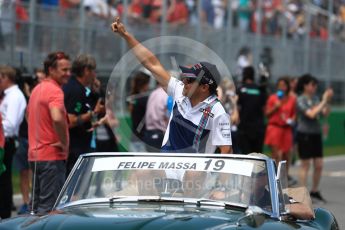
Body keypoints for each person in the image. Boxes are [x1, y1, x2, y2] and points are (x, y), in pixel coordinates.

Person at [111, 17, 232, 154]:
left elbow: (226, 150)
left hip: (195, 174)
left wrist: (203, 174)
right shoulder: (179, 90)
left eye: (190, 80)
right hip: (168, 166)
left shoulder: (218, 112)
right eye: (185, 77)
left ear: (204, 88)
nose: (184, 81)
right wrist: (126, 35)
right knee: (139, 173)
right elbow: (152, 63)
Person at [27, 51, 71, 215]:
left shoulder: (37, 89)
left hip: (36, 155)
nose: (68, 74)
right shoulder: (55, 90)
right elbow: (57, 117)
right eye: (64, 70)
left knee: (36, 209)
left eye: (69, 69)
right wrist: (63, 141)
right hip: (51, 156)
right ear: (51, 70)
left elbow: (28, 115)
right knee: (50, 211)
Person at [63, 54, 104, 176]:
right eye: (93, 71)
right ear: (86, 70)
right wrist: (93, 113)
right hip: (74, 148)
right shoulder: (76, 90)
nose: (94, 75)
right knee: (74, 187)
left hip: (78, 145)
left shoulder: (78, 88)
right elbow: (70, 121)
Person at [296, 74, 333, 203]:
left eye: (316, 85)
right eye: (312, 84)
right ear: (305, 85)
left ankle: (315, 191)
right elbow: (311, 114)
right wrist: (323, 101)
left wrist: (327, 100)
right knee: (305, 164)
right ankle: (302, 193)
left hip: (316, 134)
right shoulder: (301, 99)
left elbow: (325, 113)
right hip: (305, 134)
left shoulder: (316, 99)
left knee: (319, 164)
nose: (315, 87)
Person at [0, 65, 26, 219]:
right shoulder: (6, 95)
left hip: (7, 140)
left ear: (5, 77)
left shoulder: (15, 96)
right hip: (4, 138)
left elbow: (10, 124)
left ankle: (4, 213)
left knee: (4, 178)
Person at [264, 77, 296, 174]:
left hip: (286, 129)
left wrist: (292, 120)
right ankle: (273, 176)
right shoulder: (273, 98)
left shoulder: (292, 99)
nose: (282, 87)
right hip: (274, 127)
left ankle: (285, 176)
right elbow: (267, 113)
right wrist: (275, 107)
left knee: (286, 154)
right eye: (280, 85)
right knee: (276, 154)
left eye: (284, 85)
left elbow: (294, 114)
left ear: (287, 87)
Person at [237, 66, 267, 154]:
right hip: (258, 128)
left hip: (244, 128)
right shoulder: (260, 90)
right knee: (257, 156)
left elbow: (237, 107)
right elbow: (264, 107)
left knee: (246, 155)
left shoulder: (241, 89)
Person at [127, 70, 150, 152]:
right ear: (144, 84)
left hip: (134, 138)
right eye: (148, 83)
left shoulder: (132, 98)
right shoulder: (145, 99)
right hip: (143, 139)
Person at [144, 81, 169, 152]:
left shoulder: (153, 93)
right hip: (160, 133)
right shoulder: (166, 95)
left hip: (148, 134)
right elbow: (168, 115)